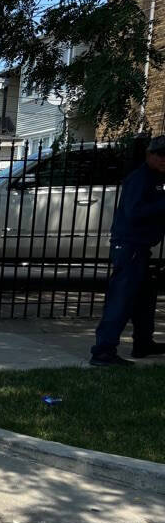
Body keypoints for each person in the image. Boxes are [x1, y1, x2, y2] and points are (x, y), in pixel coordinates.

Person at [90, 136, 165, 366]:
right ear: (149, 155)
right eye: (160, 155)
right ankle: (103, 350)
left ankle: (143, 342)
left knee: (144, 298)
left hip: (140, 247)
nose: (164, 160)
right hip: (130, 247)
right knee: (121, 299)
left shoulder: (155, 179)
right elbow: (134, 212)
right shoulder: (140, 179)